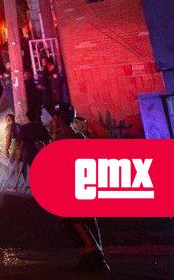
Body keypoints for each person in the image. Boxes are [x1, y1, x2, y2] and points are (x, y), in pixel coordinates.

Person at [49, 102, 108, 272]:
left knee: (73, 222)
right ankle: (91, 256)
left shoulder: (63, 138)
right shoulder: (77, 136)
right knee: (84, 220)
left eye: (54, 117)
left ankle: (94, 255)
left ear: (58, 119)